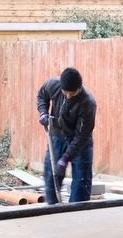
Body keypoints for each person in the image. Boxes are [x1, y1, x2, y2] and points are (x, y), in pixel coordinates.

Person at [36, 67, 96, 204]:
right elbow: (42, 95)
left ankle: (77, 212)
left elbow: (82, 136)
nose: (68, 96)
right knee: (51, 177)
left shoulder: (88, 103)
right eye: (65, 92)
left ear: (79, 88)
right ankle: (53, 209)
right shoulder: (54, 85)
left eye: (72, 93)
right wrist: (43, 112)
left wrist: (65, 158)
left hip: (80, 142)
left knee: (81, 183)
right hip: (57, 136)